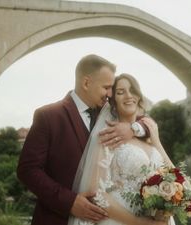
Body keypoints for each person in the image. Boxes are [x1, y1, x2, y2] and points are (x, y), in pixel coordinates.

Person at [17, 55, 150, 225]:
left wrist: (133, 129)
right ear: (86, 83)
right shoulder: (48, 116)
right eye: (106, 87)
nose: (110, 94)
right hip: (57, 219)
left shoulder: (110, 112)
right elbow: (27, 170)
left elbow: (145, 120)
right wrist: (69, 202)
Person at [69, 73, 175, 225]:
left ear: (138, 96)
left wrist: (157, 142)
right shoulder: (108, 136)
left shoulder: (148, 135)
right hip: (122, 219)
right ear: (113, 102)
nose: (128, 95)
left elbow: (176, 179)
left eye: (132, 90)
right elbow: (96, 193)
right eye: (120, 92)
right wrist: (138, 222)